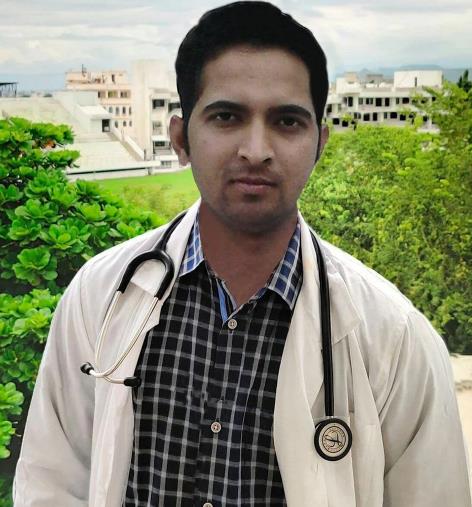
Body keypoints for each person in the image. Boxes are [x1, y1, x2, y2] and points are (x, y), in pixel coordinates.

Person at [14, 2, 471, 506]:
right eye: (227, 117)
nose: (256, 149)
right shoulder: (99, 295)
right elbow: (51, 483)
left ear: (319, 144)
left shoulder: (396, 337)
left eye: (287, 121)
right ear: (181, 138)